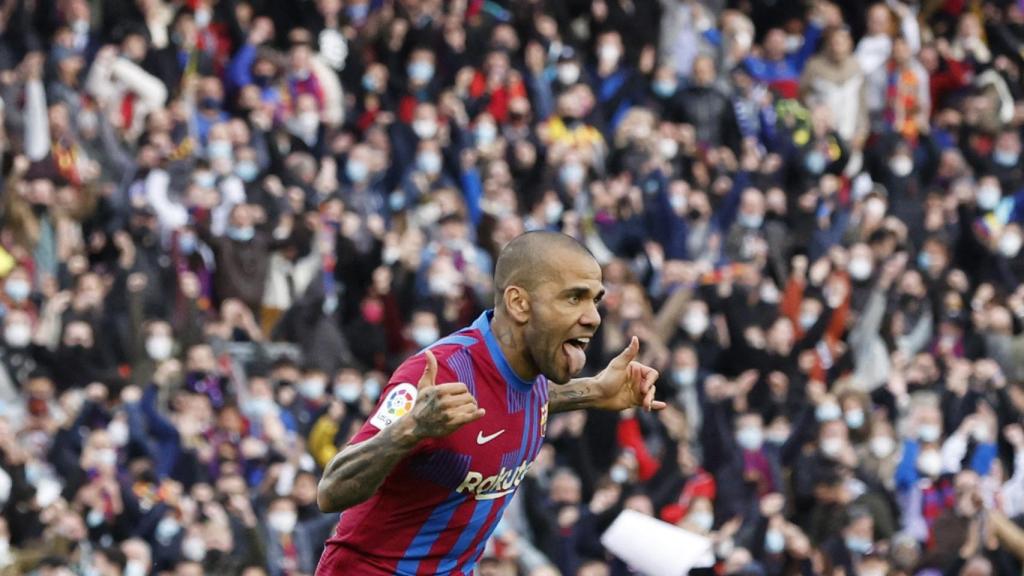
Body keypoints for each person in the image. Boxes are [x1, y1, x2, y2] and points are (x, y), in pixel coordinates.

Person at [314, 231, 663, 574]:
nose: (593, 317)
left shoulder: (529, 376)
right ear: (519, 303)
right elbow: (332, 491)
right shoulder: (440, 373)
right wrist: (410, 429)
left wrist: (595, 391)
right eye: (574, 298)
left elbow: (518, 401)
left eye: (595, 299)